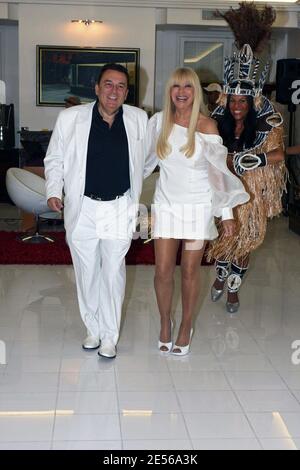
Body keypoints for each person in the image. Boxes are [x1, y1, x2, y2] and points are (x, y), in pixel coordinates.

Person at [44, 63, 148, 359]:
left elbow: (149, 158)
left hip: (120, 206)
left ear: (127, 92)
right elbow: (54, 158)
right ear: (97, 88)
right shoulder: (70, 118)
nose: (114, 91)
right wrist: (54, 191)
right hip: (83, 207)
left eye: (120, 86)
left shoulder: (139, 119)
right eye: (108, 84)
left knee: (113, 273)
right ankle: (93, 328)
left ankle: (110, 337)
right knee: (87, 272)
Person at [144, 67, 249, 356]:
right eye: (176, 86)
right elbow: (143, 163)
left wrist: (226, 214)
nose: (181, 91)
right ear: (169, 91)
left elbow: (217, 173)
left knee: (190, 270)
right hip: (165, 206)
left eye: (188, 86)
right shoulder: (158, 123)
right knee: (163, 271)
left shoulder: (206, 126)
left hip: (196, 208)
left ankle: (185, 325)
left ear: (196, 92)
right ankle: (165, 321)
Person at [208, 3, 286, 314]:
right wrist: (226, 162)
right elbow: (206, 153)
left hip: (251, 191)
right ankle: (220, 275)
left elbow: (278, 152)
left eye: (244, 101)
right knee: (225, 237)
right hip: (222, 189)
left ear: (251, 101)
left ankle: (233, 291)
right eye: (234, 101)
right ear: (227, 100)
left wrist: (257, 161)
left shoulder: (267, 121)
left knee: (247, 239)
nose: (238, 106)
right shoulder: (215, 121)